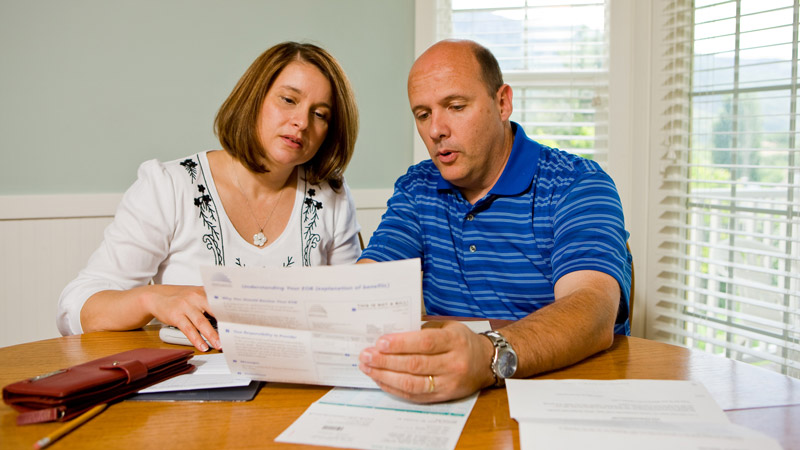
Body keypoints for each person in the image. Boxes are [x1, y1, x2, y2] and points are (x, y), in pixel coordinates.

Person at [357, 40, 632, 403]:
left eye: (455, 107)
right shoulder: (417, 187)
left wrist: (488, 357)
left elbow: (593, 310)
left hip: (559, 394)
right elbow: (367, 284)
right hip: (446, 394)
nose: (436, 129)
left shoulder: (577, 184)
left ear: (502, 103)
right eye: (423, 115)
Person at [58, 42, 362, 351]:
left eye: (321, 114)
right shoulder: (169, 186)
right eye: (288, 99)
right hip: (190, 386)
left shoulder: (332, 194)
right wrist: (153, 300)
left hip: (298, 388)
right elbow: (76, 308)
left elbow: (354, 311)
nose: (302, 122)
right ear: (253, 100)